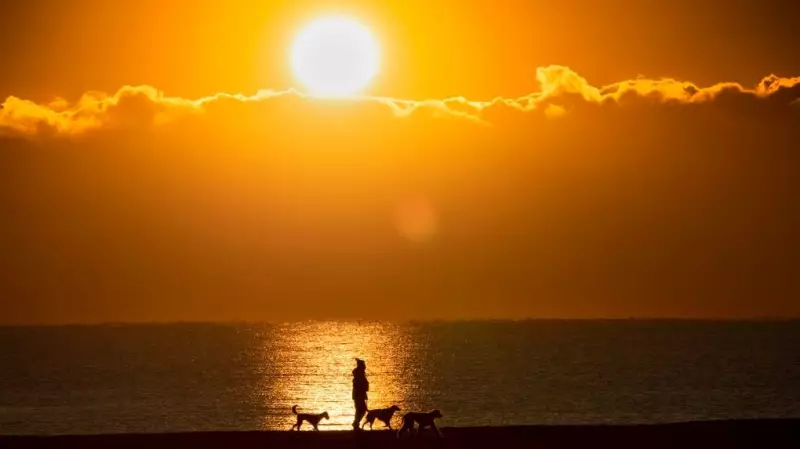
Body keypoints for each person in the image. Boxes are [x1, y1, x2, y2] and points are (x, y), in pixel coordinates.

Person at [352, 358, 369, 430]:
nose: (365, 367)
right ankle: (356, 423)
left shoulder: (360, 375)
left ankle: (356, 423)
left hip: (360, 395)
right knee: (361, 410)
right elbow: (358, 386)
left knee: (361, 410)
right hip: (359, 395)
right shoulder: (359, 376)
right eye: (364, 365)